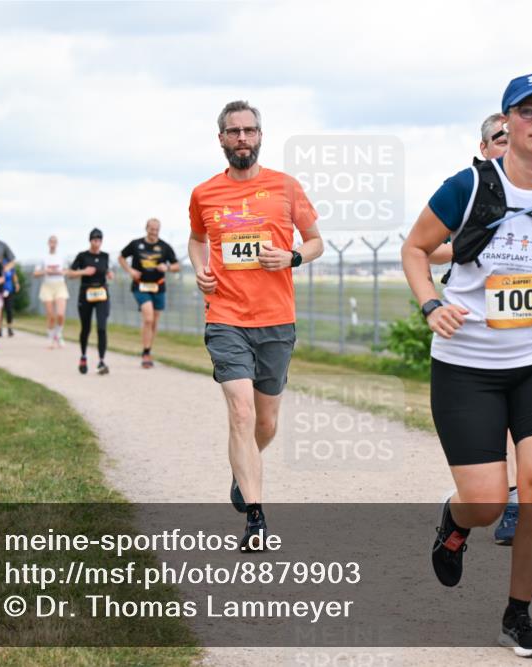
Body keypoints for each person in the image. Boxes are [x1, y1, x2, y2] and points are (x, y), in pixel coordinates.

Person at [401, 73, 532, 658]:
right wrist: (431, 303)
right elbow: (414, 250)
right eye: (528, 111)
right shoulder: (466, 188)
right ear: (507, 122)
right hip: (466, 366)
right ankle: (458, 521)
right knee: (490, 501)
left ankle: (518, 616)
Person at [188, 100, 323, 551]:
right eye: (233, 131)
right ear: (221, 139)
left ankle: (241, 472)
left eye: (249, 130)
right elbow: (196, 239)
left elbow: (316, 241)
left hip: (276, 320)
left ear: (260, 136)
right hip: (225, 317)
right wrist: (199, 268)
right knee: (241, 412)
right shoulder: (204, 193)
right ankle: (257, 519)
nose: (242, 138)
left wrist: (293, 257)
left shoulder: (285, 188)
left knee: (265, 423)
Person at [430, 112, 521, 547]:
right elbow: (423, 250)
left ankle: (518, 502)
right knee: (497, 423)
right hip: (473, 332)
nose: (510, 143)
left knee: (527, 421)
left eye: (513, 136)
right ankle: (489, 500)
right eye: (500, 139)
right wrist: (461, 248)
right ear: (484, 148)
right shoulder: (466, 189)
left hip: (527, 329)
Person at [120, 218, 181, 368]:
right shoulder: (136, 244)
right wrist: (130, 270)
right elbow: (121, 257)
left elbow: (176, 266)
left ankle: (148, 349)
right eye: (151, 229)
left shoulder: (164, 247)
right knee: (148, 318)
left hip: (158, 287)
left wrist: (166, 267)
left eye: (156, 230)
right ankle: (146, 352)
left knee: (154, 321)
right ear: (146, 228)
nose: (153, 232)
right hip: (140, 286)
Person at [69, 228, 114, 375]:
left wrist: (109, 273)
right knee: (86, 328)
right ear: (90, 240)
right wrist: (83, 271)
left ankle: (101, 361)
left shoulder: (105, 256)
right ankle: (83, 356)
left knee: (101, 327)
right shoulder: (82, 256)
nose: (97, 243)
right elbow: (70, 273)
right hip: (86, 294)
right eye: (94, 240)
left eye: (99, 240)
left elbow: (106, 270)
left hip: (101, 294)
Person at [34, 235, 69, 349]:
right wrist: (46, 270)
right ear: (48, 243)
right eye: (51, 242)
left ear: (57, 243)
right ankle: (50, 338)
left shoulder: (62, 257)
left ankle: (58, 334)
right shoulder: (43, 258)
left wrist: (60, 271)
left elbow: (68, 271)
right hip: (47, 286)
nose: (52, 244)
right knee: (51, 315)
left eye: (54, 242)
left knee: (60, 314)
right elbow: (36, 273)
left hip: (59, 285)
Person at [2, 265, 21, 337]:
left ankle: (9, 329)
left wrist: (16, 284)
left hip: (9, 291)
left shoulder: (10, 265)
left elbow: (14, 275)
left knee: (9, 310)